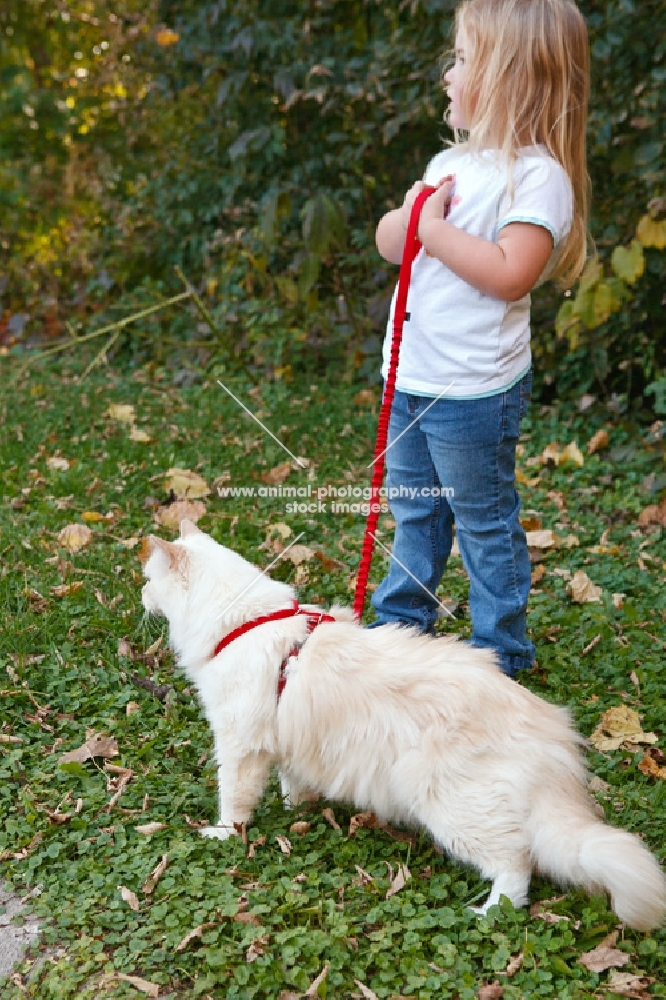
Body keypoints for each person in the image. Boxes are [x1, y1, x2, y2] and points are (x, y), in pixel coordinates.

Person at [370, 0, 590, 677]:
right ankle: (402, 624)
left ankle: (502, 652)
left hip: (472, 393)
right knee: (416, 512)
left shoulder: (537, 178)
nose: (448, 74)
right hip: (411, 380)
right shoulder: (448, 164)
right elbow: (390, 245)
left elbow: (510, 272)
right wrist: (409, 217)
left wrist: (433, 231)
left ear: (509, 75)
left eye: (462, 59)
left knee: (482, 520)